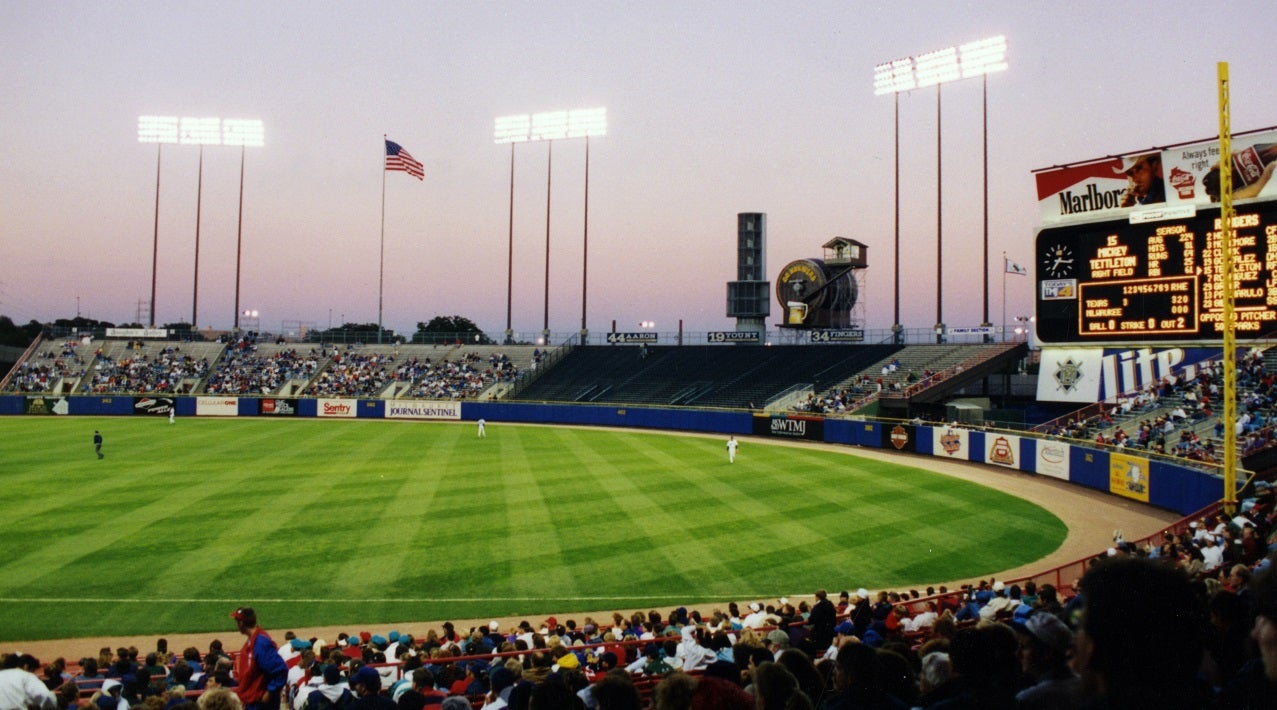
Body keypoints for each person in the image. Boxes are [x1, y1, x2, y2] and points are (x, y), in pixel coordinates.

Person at [230, 606, 289, 710]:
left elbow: (281, 670)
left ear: (241, 623)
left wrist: (269, 692)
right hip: (252, 701)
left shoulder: (261, 643)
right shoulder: (253, 640)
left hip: (259, 704)